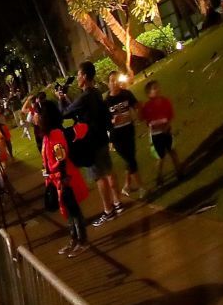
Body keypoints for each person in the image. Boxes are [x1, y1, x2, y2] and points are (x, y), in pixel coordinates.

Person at [64, 64, 121, 223]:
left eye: (79, 75)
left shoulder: (84, 96)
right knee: (108, 170)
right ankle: (117, 202)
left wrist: (62, 100)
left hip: (91, 142)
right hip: (102, 137)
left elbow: (65, 113)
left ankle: (108, 210)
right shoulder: (95, 92)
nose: (77, 78)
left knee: (99, 177)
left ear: (84, 76)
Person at [37, 97, 93, 257]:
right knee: (69, 211)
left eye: (39, 114)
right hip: (58, 179)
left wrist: (60, 177)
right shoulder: (48, 134)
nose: (36, 117)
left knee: (74, 211)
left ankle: (83, 241)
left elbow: (60, 156)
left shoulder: (55, 134)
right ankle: (74, 239)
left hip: (65, 178)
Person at [138, 79, 187, 184]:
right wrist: (140, 109)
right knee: (161, 156)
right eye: (154, 88)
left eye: (157, 87)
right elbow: (142, 118)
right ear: (149, 93)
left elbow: (170, 116)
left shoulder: (165, 101)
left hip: (166, 132)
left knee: (173, 152)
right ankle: (159, 177)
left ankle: (179, 172)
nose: (158, 89)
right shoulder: (147, 106)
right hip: (156, 135)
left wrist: (167, 127)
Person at [104, 76, 144, 199]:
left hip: (128, 130)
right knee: (130, 159)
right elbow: (104, 121)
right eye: (112, 80)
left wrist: (139, 113)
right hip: (116, 135)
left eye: (116, 80)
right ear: (108, 83)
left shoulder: (126, 93)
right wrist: (112, 120)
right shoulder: (106, 101)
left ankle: (126, 186)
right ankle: (141, 187)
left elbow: (136, 105)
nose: (115, 82)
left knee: (130, 158)